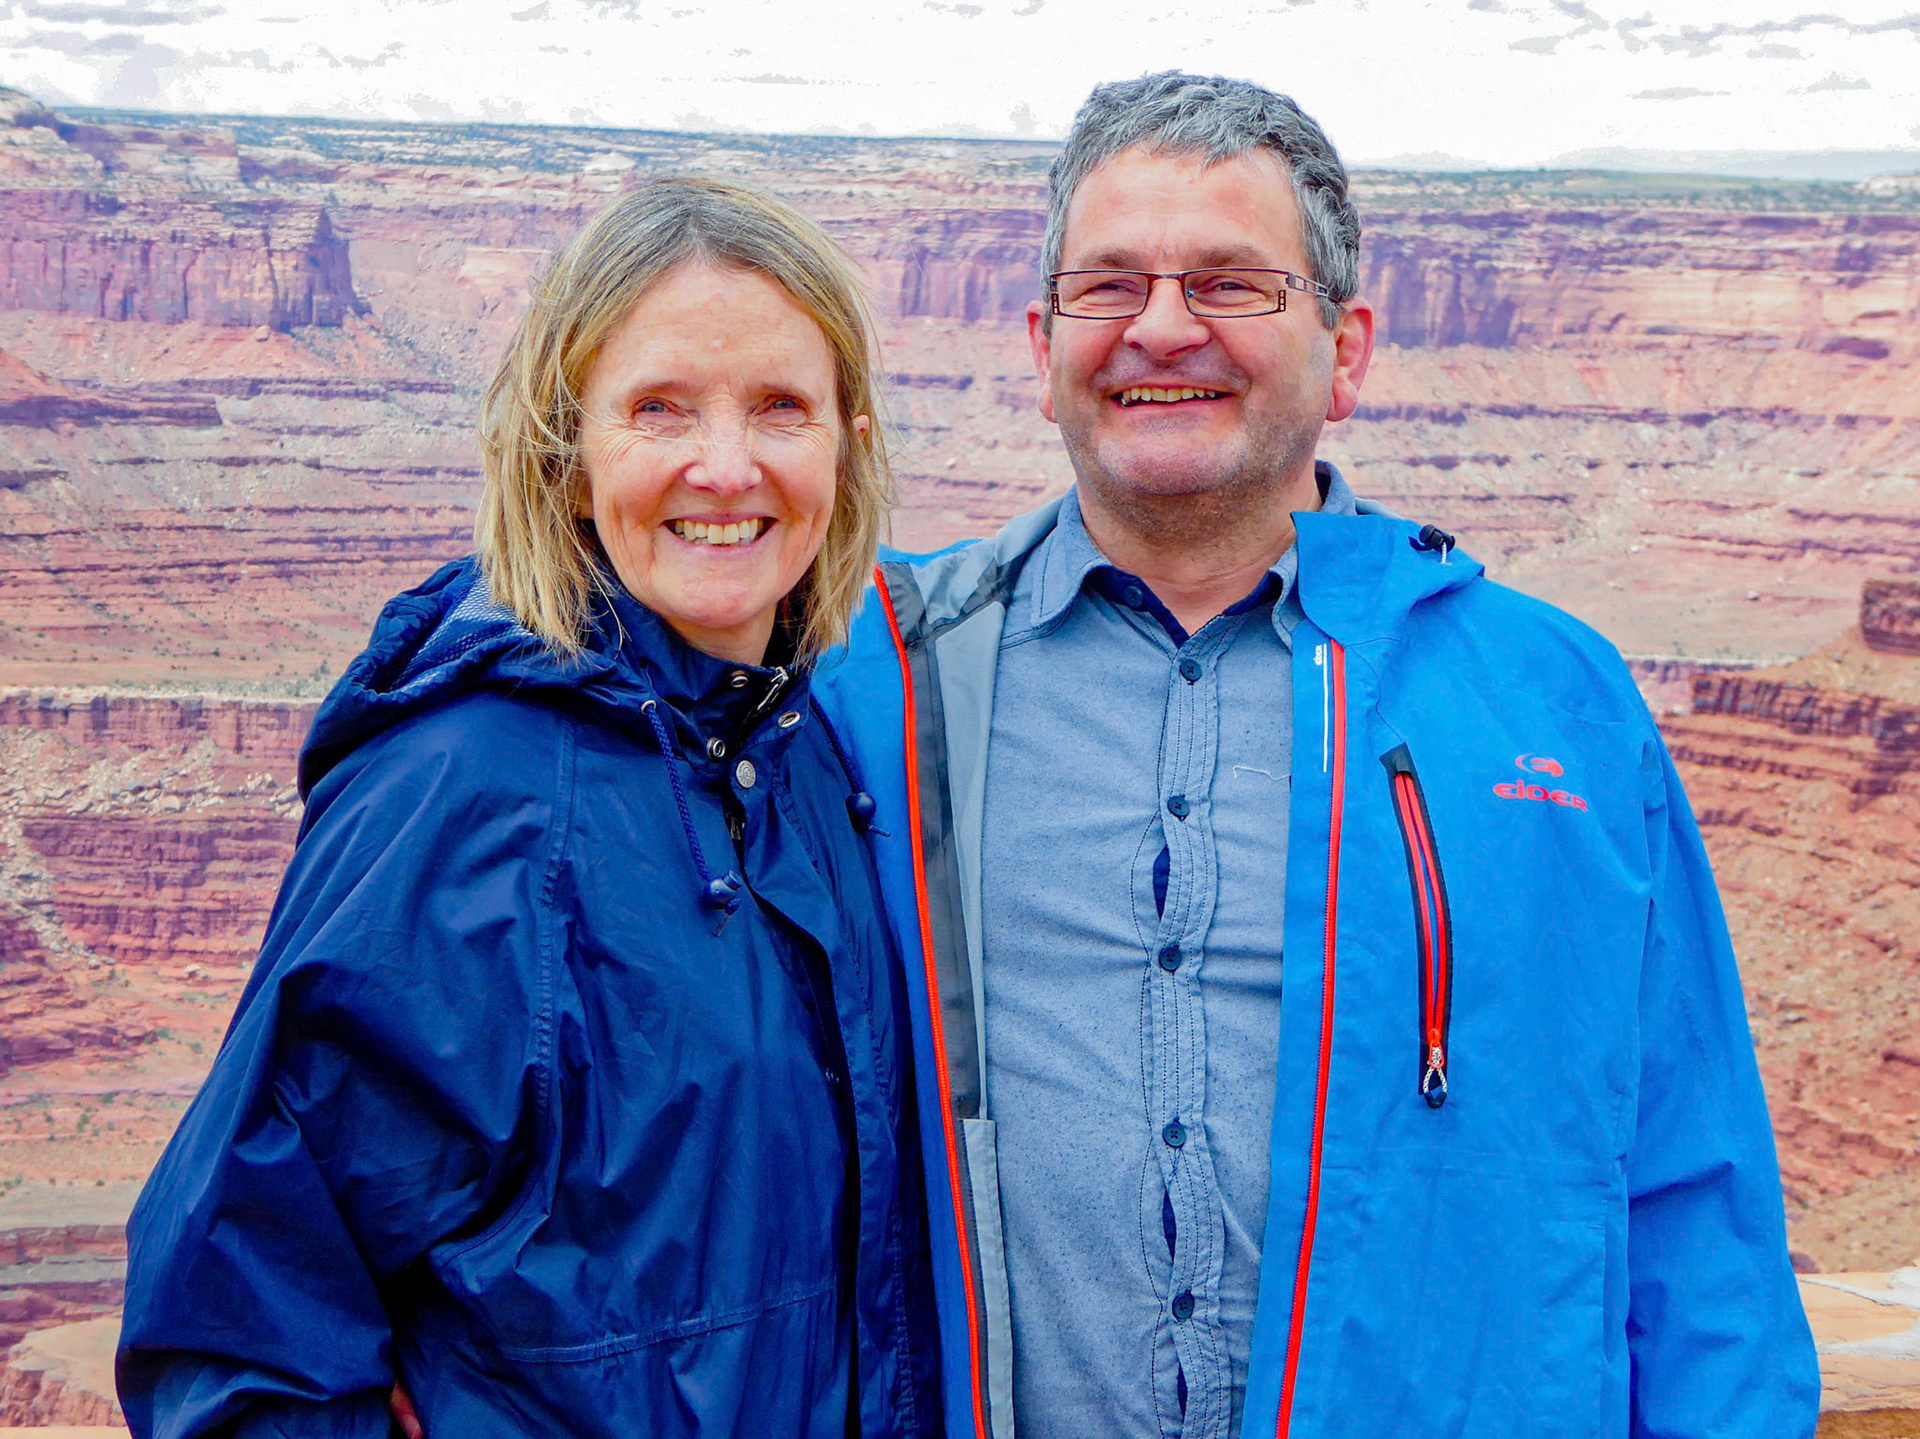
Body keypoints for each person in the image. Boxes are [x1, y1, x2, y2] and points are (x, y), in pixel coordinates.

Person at [814, 72, 1819, 1438]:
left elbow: (1693, 1197)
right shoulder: (876, 673)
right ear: (1044, 343)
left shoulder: (1554, 706)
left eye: (1232, 283)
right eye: (1111, 285)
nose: (1162, 327)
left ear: (1345, 350)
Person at [117, 176, 940, 1439]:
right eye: (659, 407)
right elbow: (241, 1331)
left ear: (848, 441)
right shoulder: (467, 794)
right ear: (568, 456)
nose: (728, 466)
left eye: (782, 406)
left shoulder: (805, 751)